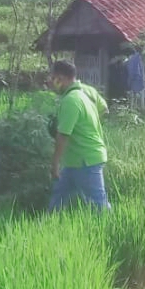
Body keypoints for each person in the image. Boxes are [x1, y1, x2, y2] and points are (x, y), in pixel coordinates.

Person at [47, 60, 111, 211]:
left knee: (98, 204)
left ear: (61, 78)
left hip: (85, 160)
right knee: (59, 195)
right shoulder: (83, 93)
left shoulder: (71, 100)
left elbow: (63, 136)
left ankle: (110, 228)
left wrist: (55, 163)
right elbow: (103, 110)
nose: (51, 82)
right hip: (74, 161)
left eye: (53, 78)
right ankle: (50, 223)